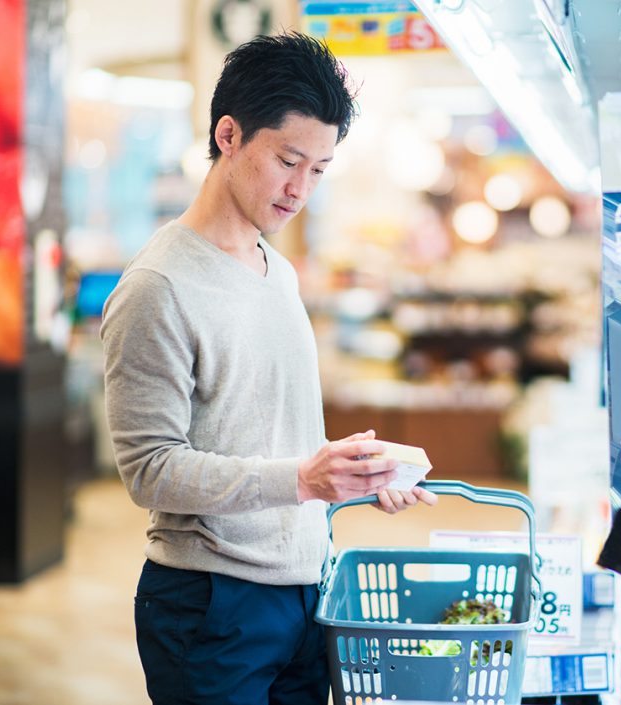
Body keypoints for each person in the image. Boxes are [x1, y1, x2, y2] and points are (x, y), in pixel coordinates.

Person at [100, 32, 437, 705]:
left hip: (306, 591)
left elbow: (268, 438)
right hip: (212, 606)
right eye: (288, 160)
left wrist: (351, 474)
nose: (300, 189)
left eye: (319, 169)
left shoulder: (275, 271)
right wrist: (302, 479)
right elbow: (150, 470)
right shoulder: (156, 287)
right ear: (229, 134)